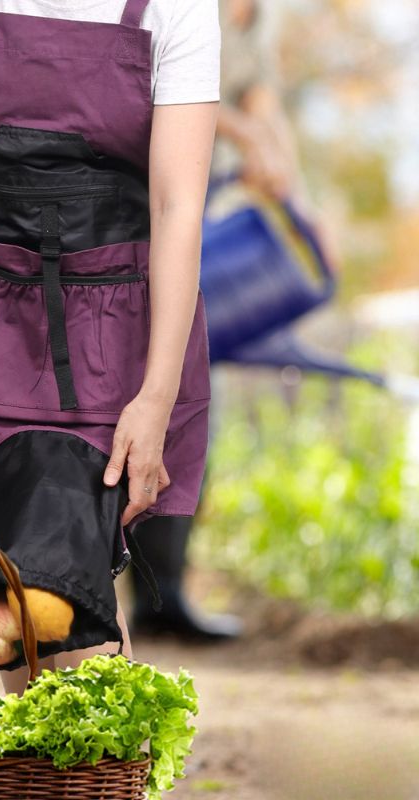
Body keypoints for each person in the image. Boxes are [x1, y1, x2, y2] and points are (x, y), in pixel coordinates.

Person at [0, 0, 220, 695]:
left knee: (71, 578)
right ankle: (53, 754)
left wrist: (158, 396)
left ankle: (102, 752)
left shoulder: (177, 7)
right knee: (3, 584)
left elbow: (177, 206)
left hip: (114, 328)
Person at [129, 0, 337, 640]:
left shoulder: (255, 21)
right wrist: (248, 139)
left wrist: (299, 203)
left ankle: (162, 597)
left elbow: (264, 109)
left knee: (190, 403)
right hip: (136, 205)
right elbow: (154, 85)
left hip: (195, 218)